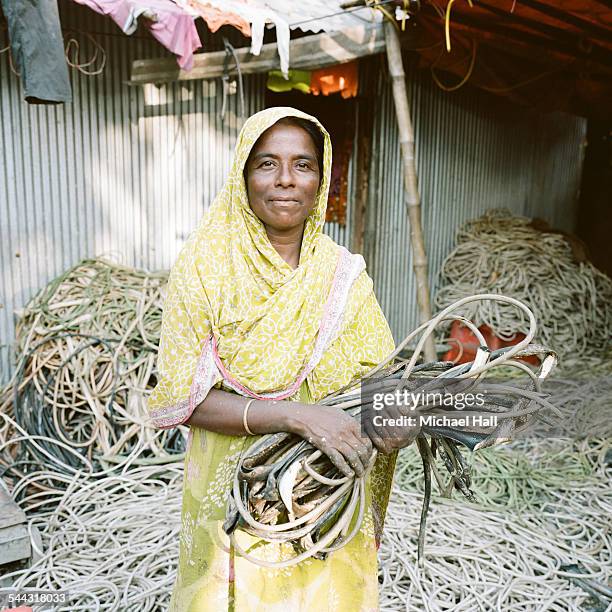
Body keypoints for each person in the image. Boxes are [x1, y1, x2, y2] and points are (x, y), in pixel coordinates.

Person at [148, 107, 418, 611]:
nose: (286, 180)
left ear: (321, 179)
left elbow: (380, 379)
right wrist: (298, 415)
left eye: (303, 165)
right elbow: (184, 400)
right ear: (243, 176)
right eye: (267, 164)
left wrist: (394, 423)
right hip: (239, 490)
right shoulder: (205, 266)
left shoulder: (343, 275)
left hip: (326, 488)